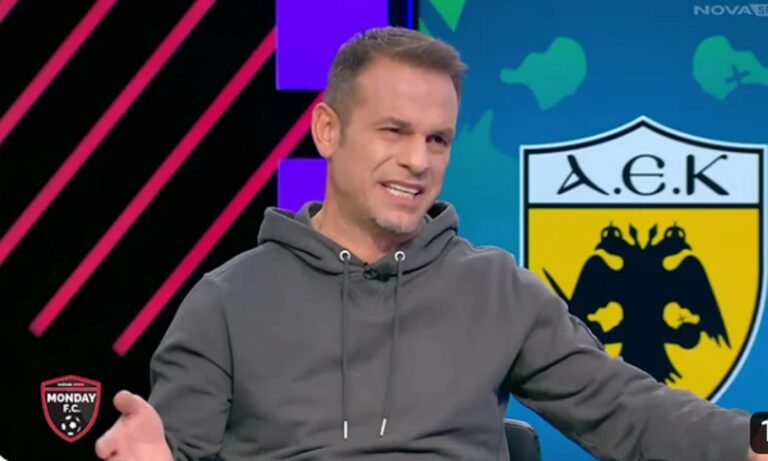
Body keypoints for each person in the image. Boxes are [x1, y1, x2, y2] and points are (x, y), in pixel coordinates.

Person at [95, 26, 764, 461]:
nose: (417, 160)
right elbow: (170, 448)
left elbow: (629, 411)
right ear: (327, 131)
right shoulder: (227, 301)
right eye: (394, 131)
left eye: (437, 139)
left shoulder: (497, 289)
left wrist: (756, 437)